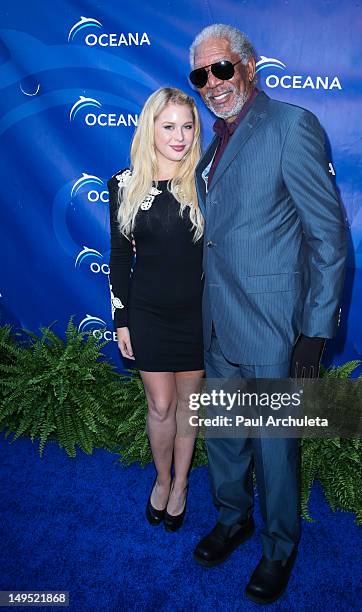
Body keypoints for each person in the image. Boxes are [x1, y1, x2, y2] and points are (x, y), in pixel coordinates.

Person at [188, 25, 348, 604]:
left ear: (248, 67)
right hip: (217, 319)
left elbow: (328, 237)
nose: (212, 83)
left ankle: (279, 548)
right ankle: (233, 518)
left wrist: (313, 331)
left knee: (275, 447)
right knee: (225, 435)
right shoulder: (215, 143)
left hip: (273, 325)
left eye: (221, 69)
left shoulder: (291, 127)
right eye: (200, 75)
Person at [107, 87, 205, 532]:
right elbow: (120, 257)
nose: (179, 136)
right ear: (150, 128)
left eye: (187, 126)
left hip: (198, 314)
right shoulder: (124, 184)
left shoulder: (206, 180)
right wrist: (121, 319)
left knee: (189, 406)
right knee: (161, 405)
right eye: (169, 126)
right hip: (147, 311)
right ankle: (161, 479)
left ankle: (181, 484)